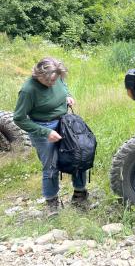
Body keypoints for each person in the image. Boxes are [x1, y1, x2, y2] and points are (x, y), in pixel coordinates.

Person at [13, 57, 88, 216]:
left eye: (56, 79)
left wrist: (67, 95)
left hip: (64, 122)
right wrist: (46, 132)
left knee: (80, 156)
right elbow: (19, 118)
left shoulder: (57, 77)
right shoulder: (28, 90)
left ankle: (80, 195)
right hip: (43, 128)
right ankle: (51, 203)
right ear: (39, 75)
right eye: (50, 81)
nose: (54, 83)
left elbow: (63, 85)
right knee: (51, 166)